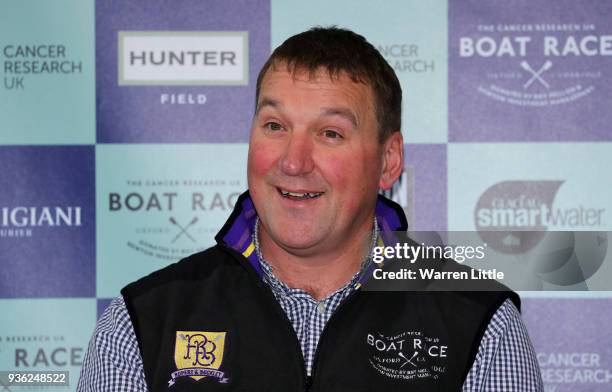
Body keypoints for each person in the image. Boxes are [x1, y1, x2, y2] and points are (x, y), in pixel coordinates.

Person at [78, 27, 543, 391]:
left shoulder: (481, 324)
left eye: (331, 133)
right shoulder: (140, 323)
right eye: (275, 125)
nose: (293, 161)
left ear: (388, 161)